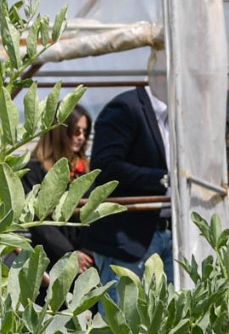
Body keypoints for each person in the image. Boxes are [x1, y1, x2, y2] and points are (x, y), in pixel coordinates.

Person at [88, 70, 172, 269]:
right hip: (129, 239)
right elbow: (104, 167)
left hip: (171, 235)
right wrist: (163, 180)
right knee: (124, 301)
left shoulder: (180, 116)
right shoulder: (126, 107)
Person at [22, 106, 96, 273]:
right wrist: (70, 255)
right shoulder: (34, 169)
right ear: (60, 131)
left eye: (85, 132)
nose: (82, 138)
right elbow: (37, 223)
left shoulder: (86, 169)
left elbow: (95, 214)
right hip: (50, 262)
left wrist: (86, 252)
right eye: (76, 132)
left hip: (86, 263)